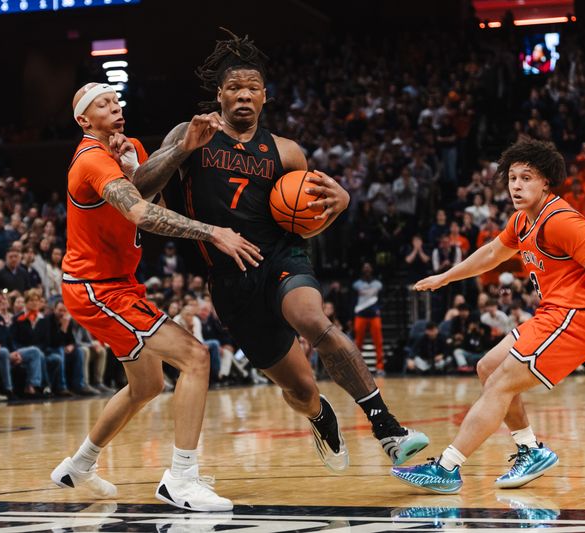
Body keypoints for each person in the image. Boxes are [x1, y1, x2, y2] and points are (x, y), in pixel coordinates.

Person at [130, 30, 428, 472]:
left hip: (281, 259)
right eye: (234, 88)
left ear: (265, 96)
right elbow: (139, 191)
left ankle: (387, 429)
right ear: (220, 95)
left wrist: (340, 205)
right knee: (301, 388)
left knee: (312, 319)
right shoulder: (189, 132)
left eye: (252, 88)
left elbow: (308, 219)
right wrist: (180, 150)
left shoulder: (287, 152)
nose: (243, 95)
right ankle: (320, 415)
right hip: (231, 282)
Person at [50, 82, 260, 511]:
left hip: (116, 282)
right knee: (195, 357)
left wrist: (159, 156)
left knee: (146, 385)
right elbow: (140, 212)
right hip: (96, 287)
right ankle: (181, 479)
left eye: (117, 100)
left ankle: (79, 465)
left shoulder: (127, 150)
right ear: (84, 120)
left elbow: (152, 192)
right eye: (104, 103)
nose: (116, 106)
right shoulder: (90, 159)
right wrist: (213, 232)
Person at [392, 139, 585, 493]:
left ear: (546, 183)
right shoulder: (522, 221)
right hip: (553, 313)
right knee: (487, 368)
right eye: (512, 177)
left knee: (500, 383)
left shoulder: (562, 221)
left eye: (526, 177)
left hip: (580, 316)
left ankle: (448, 467)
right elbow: (493, 252)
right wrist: (446, 276)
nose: (516, 184)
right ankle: (530, 449)